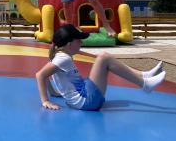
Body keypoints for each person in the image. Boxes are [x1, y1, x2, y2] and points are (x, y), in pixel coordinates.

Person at [35, 24, 166, 111]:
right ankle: (144, 84)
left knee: (104, 60)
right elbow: (40, 75)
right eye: (78, 40)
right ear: (69, 44)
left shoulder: (59, 55)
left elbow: (46, 75)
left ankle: (143, 75)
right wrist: (45, 100)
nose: (81, 42)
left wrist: (53, 92)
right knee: (104, 58)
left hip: (84, 96)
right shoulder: (63, 58)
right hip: (86, 101)